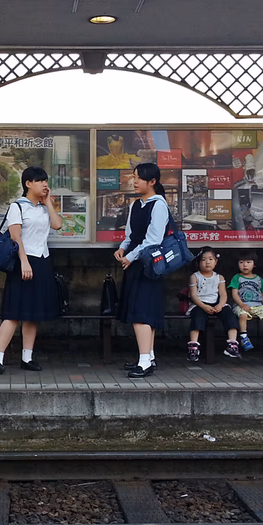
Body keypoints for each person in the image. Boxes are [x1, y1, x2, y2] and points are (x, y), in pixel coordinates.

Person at [0, 166, 63, 375]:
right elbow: (15, 237)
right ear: (28, 184)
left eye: (46, 181)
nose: (45, 184)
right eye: (40, 181)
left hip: (42, 261)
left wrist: (48, 202)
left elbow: (57, 225)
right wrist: (24, 261)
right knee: (13, 312)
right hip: (23, 263)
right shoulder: (17, 207)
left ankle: (27, 357)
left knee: (32, 313)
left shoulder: (43, 207)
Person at [114, 162, 169, 378]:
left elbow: (153, 239)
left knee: (142, 314)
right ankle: (149, 357)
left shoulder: (159, 205)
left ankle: (144, 361)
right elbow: (130, 235)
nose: (134, 181)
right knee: (142, 312)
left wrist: (131, 256)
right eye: (134, 176)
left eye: (139, 177)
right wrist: (122, 249)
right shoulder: (136, 205)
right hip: (135, 263)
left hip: (149, 266)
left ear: (152, 181)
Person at [186, 247, 241, 362]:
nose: (207, 262)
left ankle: (232, 344)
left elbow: (223, 294)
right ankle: (193, 347)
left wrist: (220, 305)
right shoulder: (195, 277)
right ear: (198, 262)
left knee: (229, 315)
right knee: (198, 317)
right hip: (200, 303)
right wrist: (204, 306)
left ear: (216, 261)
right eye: (204, 259)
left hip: (216, 302)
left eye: (211, 259)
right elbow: (194, 296)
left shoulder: (219, 277)